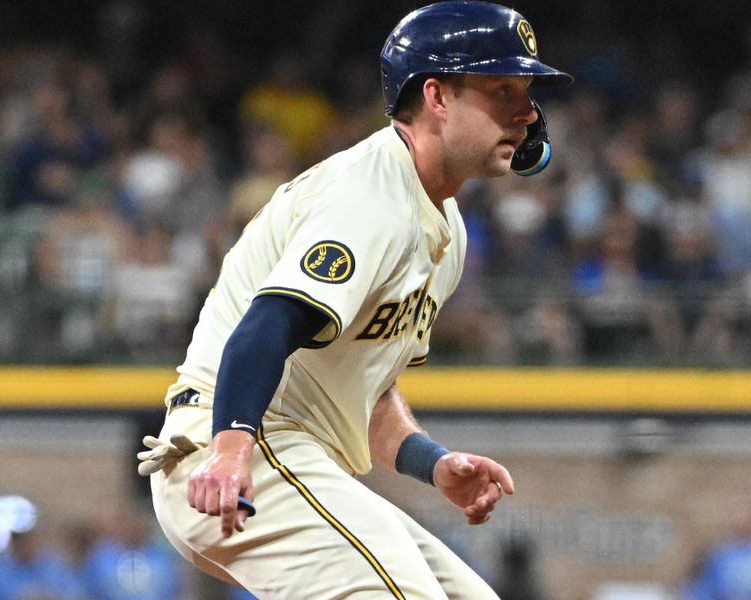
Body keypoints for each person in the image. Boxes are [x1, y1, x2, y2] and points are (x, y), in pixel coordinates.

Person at [138, 2, 571, 598]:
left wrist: (432, 463)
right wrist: (231, 449)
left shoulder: (446, 224)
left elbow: (366, 390)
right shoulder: (371, 194)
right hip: (243, 445)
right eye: (502, 90)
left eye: (525, 92)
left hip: (289, 455)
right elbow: (267, 324)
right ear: (437, 97)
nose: (527, 113)